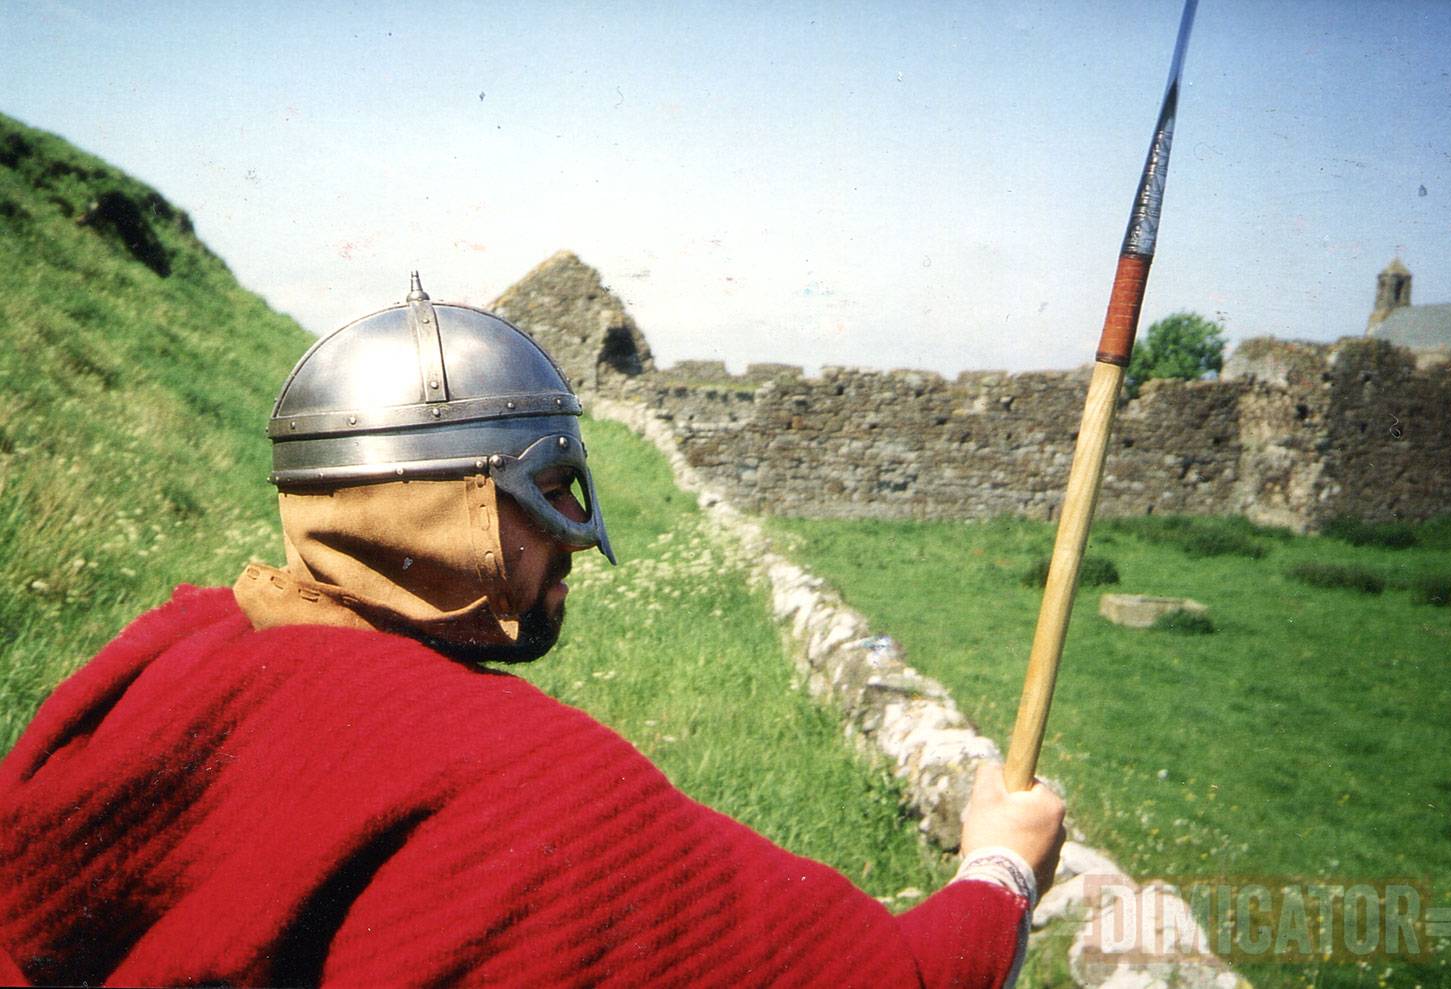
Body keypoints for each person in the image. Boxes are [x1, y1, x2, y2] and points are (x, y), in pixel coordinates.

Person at [0, 276, 1065, 987]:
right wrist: (998, 870)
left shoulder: (171, 655)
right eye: (547, 492)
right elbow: (883, 979)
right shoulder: (538, 783)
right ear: (453, 506)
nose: (573, 545)